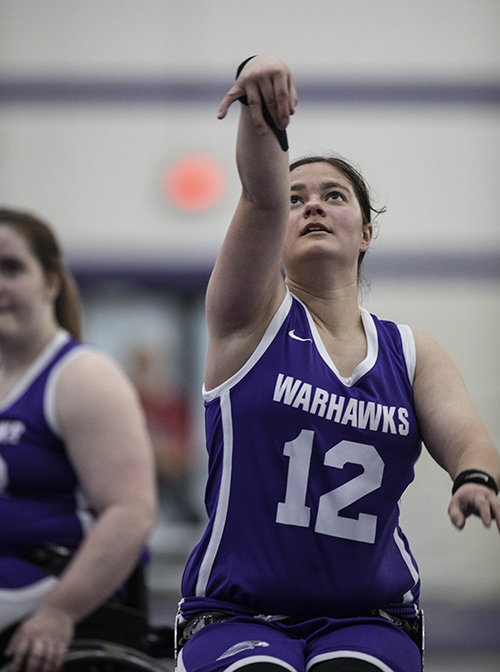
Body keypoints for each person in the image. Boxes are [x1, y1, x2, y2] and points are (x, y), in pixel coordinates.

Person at [175, 55, 500, 672]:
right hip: (239, 612)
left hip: (368, 614)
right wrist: (262, 112)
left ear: (366, 233)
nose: (313, 206)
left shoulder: (411, 352)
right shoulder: (247, 320)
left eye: (334, 196)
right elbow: (261, 199)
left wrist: (475, 479)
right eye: (299, 198)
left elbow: (472, 442)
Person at [0, 209, 158, 672]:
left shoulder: (83, 377)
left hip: (57, 580)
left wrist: (59, 613)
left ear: (50, 282)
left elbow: (131, 513)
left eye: (11, 268)